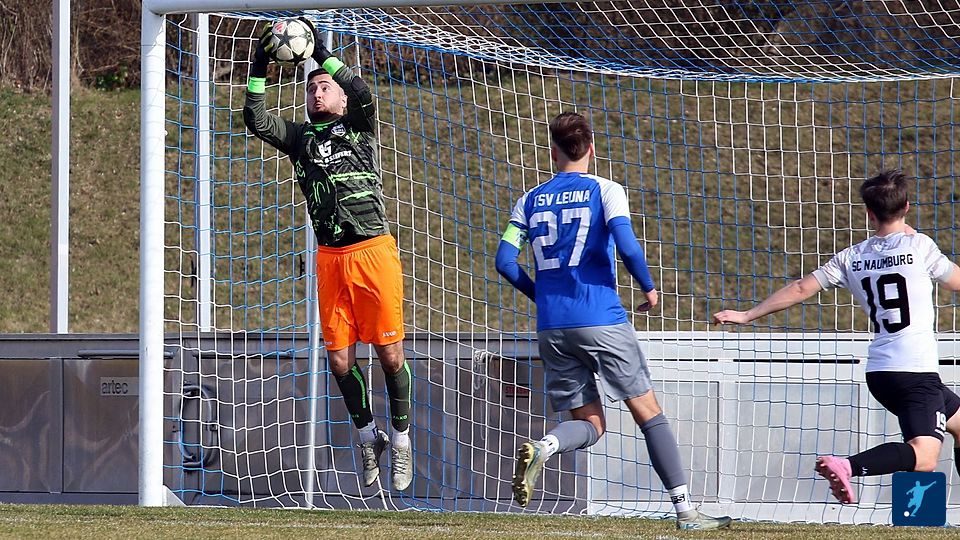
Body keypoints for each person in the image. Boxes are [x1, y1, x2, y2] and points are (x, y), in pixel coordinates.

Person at [495, 112, 732, 530]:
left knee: (589, 424)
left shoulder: (529, 200)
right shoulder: (606, 190)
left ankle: (545, 446)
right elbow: (627, 245)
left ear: (553, 152)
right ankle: (685, 512)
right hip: (601, 318)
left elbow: (504, 261)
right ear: (591, 148)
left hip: (552, 327)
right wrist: (648, 287)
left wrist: (542, 296)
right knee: (649, 413)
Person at [713, 169, 960, 504]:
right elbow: (955, 281)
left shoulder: (851, 257)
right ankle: (847, 465)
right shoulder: (921, 246)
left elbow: (800, 288)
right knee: (925, 455)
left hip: (881, 371)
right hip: (914, 371)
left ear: (869, 213)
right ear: (907, 206)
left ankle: (916, 514)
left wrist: (746, 315)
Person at [243, 18, 412, 491]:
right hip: (330, 258)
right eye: (312, 88)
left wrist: (321, 53)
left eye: (325, 88)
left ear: (339, 99)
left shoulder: (359, 127)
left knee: (390, 354)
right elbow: (256, 119)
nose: (318, 93)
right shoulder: (300, 139)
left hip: (373, 252)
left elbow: (363, 93)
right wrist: (259, 62)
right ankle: (368, 437)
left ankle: (401, 440)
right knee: (339, 361)